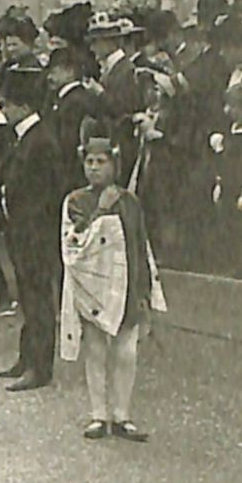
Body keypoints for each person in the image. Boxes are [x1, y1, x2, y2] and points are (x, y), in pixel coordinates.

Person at [58, 136, 167, 443]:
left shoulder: (130, 202)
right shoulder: (76, 201)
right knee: (94, 350)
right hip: (91, 287)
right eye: (89, 162)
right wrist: (100, 213)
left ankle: (122, 414)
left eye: (100, 162)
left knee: (126, 351)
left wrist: (144, 289)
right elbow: (74, 243)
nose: (94, 168)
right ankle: (98, 414)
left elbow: (139, 245)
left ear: (114, 165)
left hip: (127, 285)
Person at [0, 64, 64, 392]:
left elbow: (47, 193)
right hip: (20, 229)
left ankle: (40, 366)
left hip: (35, 231)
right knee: (26, 294)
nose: (2, 111)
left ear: (22, 106)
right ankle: (27, 356)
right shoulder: (24, 138)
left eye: (5, 104)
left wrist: (30, 225)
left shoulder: (41, 141)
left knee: (37, 297)